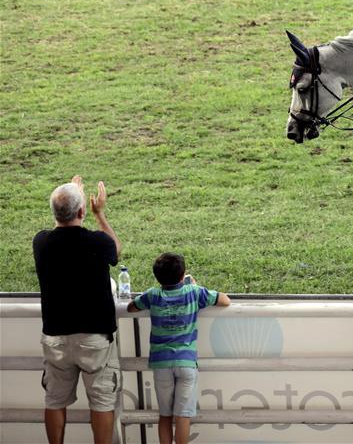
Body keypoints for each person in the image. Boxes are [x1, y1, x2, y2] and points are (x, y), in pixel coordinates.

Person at [32, 175, 123, 444]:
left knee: (54, 400)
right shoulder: (98, 242)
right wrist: (99, 214)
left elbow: (59, 230)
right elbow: (116, 250)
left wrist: (72, 197)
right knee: (103, 402)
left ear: (55, 213)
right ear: (82, 211)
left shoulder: (41, 242)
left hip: (56, 338)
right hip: (95, 338)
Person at [127, 253, 231, 444]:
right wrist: (194, 285)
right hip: (186, 362)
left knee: (165, 415)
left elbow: (131, 307)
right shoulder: (193, 292)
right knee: (183, 415)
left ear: (157, 276)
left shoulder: (153, 295)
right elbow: (225, 300)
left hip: (161, 363)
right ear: (183, 275)